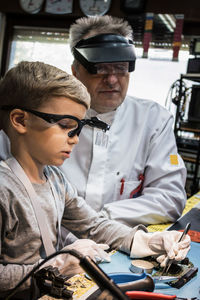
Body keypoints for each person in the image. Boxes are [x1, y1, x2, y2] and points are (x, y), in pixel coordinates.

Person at [0, 61, 190, 299]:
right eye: (66, 125)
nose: (75, 139)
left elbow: (93, 225)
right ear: (20, 120)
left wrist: (143, 241)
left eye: (79, 127)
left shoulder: (56, 180)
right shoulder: (4, 190)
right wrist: (56, 266)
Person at [59, 15, 187, 228]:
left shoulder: (154, 120)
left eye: (120, 68)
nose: (111, 79)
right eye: (99, 68)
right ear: (75, 71)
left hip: (121, 245)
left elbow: (170, 198)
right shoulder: (44, 118)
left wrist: (100, 218)